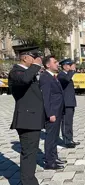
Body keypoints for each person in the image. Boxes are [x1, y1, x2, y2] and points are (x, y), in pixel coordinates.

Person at [8, 47, 44, 185]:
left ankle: (29, 180)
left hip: (32, 119)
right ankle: (28, 182)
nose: (36, 60)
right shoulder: (16, 71)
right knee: (28, 154)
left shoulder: (26, 72)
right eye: (33, 57)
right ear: (25, 58)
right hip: (26, 120)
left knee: (31, 153)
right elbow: (24, 79)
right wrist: (36, 66)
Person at [39, 55, 65, 170]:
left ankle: (54, 157)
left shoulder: (53, 76)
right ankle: (49, 162)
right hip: (52, 112)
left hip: (58, 110)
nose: (57, 63)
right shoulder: (45, 77)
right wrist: (50, 114)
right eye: (55, 62)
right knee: (50, 137)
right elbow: (46, 97)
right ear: (48, 65)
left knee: (54, 136)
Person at [58, 58, 80, 148]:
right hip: (66, 103)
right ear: (64, 66)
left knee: (70, 122)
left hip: (70, 102)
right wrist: (72, 71)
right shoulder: (61, 75)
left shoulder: (66, 74)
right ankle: (66, 140)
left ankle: (70, 138)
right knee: (66, 122)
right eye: (70, 65)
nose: (71, 67)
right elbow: (66, 80)